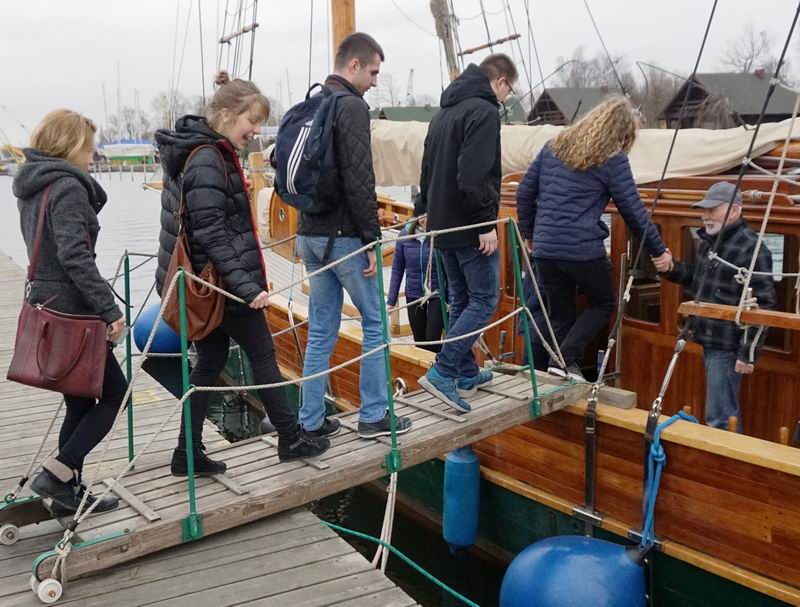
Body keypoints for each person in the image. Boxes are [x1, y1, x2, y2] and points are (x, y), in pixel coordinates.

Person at [155, 71, 328, 473]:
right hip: (221, 283)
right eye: (252, 120)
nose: (256, 129)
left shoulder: (197, 152)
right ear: (228, 115)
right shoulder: (208, 159)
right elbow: (213, 232)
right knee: (263, 355)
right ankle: (290, 438)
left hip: (207, 280)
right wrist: (247, 286)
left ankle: (187, 453)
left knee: (210, 362)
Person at [296, 32, 412, 439]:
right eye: (374, 72)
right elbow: (360, 181)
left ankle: (309, 422)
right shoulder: (351, 108)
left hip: (308, 235)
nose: (376, 82)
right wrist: (371, 240)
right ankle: (374, 414)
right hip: (345, 237)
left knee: (322, 330)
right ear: (354, 66)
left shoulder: (313, 103)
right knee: (376, 324)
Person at [516, 95, 672, 382]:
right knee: (603, 304)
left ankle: (558, 366)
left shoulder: (553, 147)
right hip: (581, 250)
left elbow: (524, 193)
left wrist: (529, 235)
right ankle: (566, 362)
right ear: (622, 132)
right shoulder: (613, 160)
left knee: (561, 314)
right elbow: (634, 212)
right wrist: (659, 251)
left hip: (545, 250)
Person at [14, 109, 124, 514]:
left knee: (80, 403)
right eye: (89, 149)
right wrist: (109, 309)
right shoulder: (67, 188)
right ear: (69, 146)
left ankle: (66, 495)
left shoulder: (33, 185)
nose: (92, 157)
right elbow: (75, 258)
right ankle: (60, 472)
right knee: (115, 394)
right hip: (74, 310)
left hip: (47, 303)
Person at [414, 53, 518, 412]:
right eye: (509, 91)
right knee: (485, 298)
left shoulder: (443, 113)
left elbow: (426, 168)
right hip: (470, 226)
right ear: (501, 81)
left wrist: (422, 210)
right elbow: (474, 175)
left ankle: (464, 372)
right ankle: (444, 371)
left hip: (442, 225)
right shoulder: (484, 112)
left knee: (459, 299)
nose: (506, 99)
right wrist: (486, 223)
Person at [663, 181, 776, 431]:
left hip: (728, 346)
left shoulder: (753, 249)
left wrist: (748, 353)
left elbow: (763, 305)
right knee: (719, 412)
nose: (705, 216)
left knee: (720, 417)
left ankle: (724, 468)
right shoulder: (710, 243)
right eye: (704, 210)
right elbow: (698, 280)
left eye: (712, 209)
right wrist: (671, 268)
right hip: (707, 339)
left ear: (734, 211)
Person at [387, 215, 444, 353]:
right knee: (419, 340)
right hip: (413, 293)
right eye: (420, 216)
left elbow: (450, 268)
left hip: (437, 293)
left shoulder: (440, 234)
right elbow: (397, 269)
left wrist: (453, 297)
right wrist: (391, 300)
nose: (424, 219)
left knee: (432, 339)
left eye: (427, 214)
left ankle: (437, 369)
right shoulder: (404, 236)